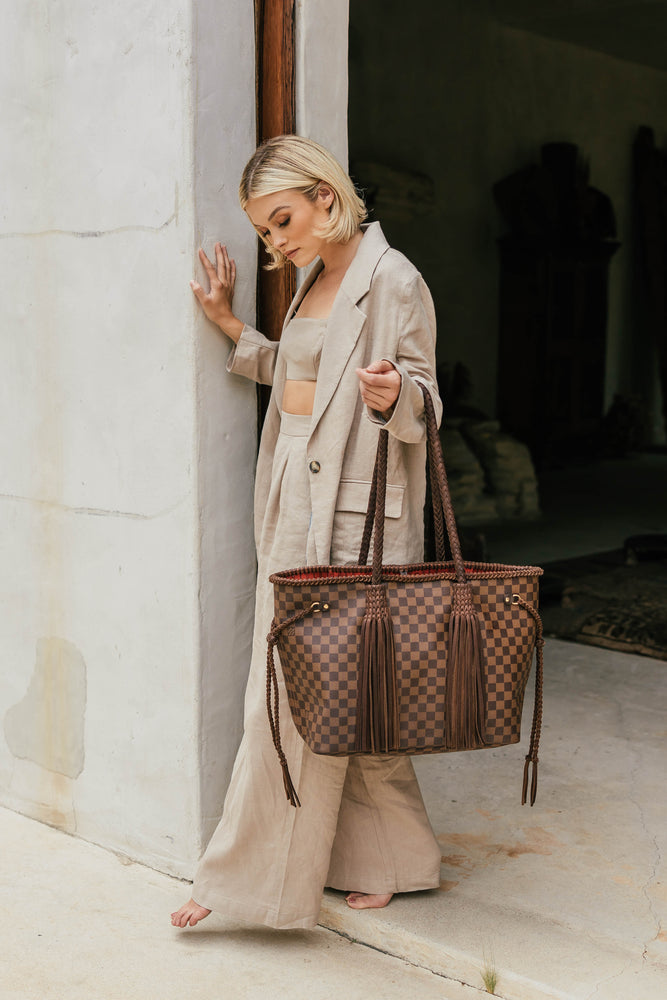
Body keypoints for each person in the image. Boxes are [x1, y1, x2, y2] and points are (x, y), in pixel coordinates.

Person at [171, 135, 443, 931]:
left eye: (282, 220)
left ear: (326, 196)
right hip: (291, 494)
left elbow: (427, 402)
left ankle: (241, 881)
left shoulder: (393, 280)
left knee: (292, 695)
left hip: (352, 514)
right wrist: (230, 325)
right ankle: (394, 860)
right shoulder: (315, 278)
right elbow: (299, 377)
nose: (275, 241)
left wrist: (396, 396)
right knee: (345, 697)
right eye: (263, 230)